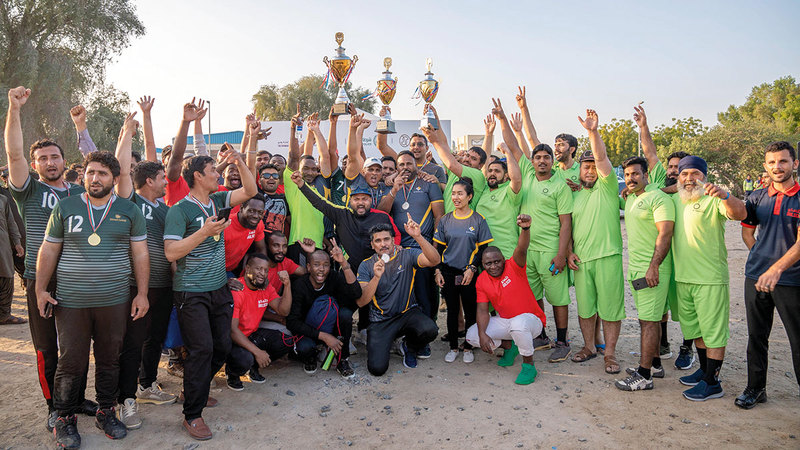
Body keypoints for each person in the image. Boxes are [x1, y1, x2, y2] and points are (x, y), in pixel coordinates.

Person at [37, 150, 149, 447]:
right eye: (90, 172)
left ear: (115, 178)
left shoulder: (129, 210)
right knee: (71, 361)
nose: (95, 178)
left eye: (102, 173)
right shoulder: (66, 207)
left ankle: (106, 411)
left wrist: (142, 293)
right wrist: (40, 289)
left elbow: (140, 254)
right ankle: (64, 417)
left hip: (114, 300)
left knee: (109, 358)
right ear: (83, 175)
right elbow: (49, 249)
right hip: (71, 301)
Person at [4, 86, 98, 431]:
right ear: (34, 165)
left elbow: (101, 163)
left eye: (55, 157)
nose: (50, 162)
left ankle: (75, 398)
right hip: (39, 277)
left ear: (63, 160)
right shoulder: (29, 190)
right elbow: (14, 153)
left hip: (76, 278)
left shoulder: (80, 192)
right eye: (42, 159)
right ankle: (53, 407)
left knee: (78, 345)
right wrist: (15, 110)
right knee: (46, 347)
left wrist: (81, 127)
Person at [163, 148, 257, 440]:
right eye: (213, 170)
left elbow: (250, 190)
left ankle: (195, 388)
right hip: (191, 292)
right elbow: (171, 252)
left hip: (218, 288)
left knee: (222, 346)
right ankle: (192, 414)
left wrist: (240, 161)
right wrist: (204, 232)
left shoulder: (217, 200)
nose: (219, 174)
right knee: (201, 349)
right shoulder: (179, 210)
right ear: (198, 176)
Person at [494, 98, 574, 363]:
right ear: (532, 161)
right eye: (537, 157)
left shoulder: (560, 185)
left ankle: (562, 341)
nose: (541, 161)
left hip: (550, 250)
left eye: (546, 157)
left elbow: (566, 223)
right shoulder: (526, 174)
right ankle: (541, 335)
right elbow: (513, 145)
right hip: (527, 250)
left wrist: (561, 254)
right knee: (533, 295)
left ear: (552, 161)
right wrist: (502, 118)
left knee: (558, 298)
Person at [110, 114, 176, 430]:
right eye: (162, 177)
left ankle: (147, 385)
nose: (166, 182)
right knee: (132, 342)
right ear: (149, 181)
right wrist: (127, 134)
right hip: (135, 287)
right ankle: (124, 400)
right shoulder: (131, 202)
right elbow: (122, 171)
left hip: (164, 285)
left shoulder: (167, 210)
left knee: (156, 339)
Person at [671, 155, 746, 401]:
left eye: (695, 173)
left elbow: (740, 213)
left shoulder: (714, 199)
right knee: (696, 329)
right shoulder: (676, 200)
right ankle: (704, 371)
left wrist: (726, 196)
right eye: (684, 174)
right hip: (684, 278)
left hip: (710, 278)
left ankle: (713, 383)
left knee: (713, 332)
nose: (689, 178)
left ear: (705, 176)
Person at [737, 141, 800, 409]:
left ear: (795, 164)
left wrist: (776, 268)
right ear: (765, 166)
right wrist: (761, 259)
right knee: (756, 336)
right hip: (756, 278)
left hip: (792, 280)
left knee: (797, 340)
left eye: (783, 161)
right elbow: (747, 233)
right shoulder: (756, 197)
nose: (777, 167)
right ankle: (755, 389)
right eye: (772, 162)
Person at [566, 110, 625, 375]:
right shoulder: (574, 194)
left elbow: (601, 158)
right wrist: (569, 251)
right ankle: (589, 346)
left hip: (608, 257)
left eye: (593, 167)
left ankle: (609, 354)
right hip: (581, 261)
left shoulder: (608, 186)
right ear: (579, 170)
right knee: (586, 309)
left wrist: (592, 132)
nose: (590, 170)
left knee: (611, 310)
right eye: (585, 167)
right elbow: (567, 227)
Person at [614, 156, 675, 391]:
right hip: (636, 269)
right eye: (627, 175)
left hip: (653, 270)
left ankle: (644, 375)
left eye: (635, 174)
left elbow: (665, 234)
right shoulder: (631, 198)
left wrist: (654, 266)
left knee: (648, 322)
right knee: (649, 318)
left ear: (646, 175)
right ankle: (655, 364)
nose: (630, 178)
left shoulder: (658, 198)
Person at [467, 214, 547, 384]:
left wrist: (525, 229)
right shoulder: (482, 280)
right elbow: (482, 310)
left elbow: (521, 248)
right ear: (483, 265)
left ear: (503, 260)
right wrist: (482, 334)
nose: (493, 266)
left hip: (532, 321)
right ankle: (510, 347)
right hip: (507, 322)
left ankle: (529, 366)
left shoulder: (514, 266)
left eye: (497, 261)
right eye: (488, 264)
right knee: (472, 335)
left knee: (518, 324)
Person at [377, 149, 444, 346]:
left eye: (409, 164)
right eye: (401, 164)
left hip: (422, 247)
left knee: (425, 294)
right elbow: (381, 213)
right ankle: (402, 335)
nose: (405, 167)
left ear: (416, 165)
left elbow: (439, 217)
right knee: (401, 294)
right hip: (397, 250)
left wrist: (434, 246)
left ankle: (426, 335)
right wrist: (394, 190)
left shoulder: (429, 184)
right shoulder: (391, 186)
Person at [357, 219, 440, 375]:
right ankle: (388, 341)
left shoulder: (407, 254)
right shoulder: (366, 265)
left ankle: (409, 346)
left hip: (407, 312)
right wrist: (376, 277)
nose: (383, 244)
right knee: (377, 369)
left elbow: (435, 260)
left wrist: (418, 237)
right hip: (381, 320)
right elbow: (362, 302)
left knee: (430, 330)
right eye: (378, 241)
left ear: (393, 240)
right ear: (372, 245)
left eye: (386, 239)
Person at [432, 178, 493, 363]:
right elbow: (439, 249)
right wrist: (437, 271)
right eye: (453, 194)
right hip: (448, 272)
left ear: (469, 196)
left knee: (470, 310)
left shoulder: (478, 220)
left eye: (460, 194)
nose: (456, 197)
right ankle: (453, 346)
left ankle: (468, 346)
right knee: (452, 310)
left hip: (469, 273)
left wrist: (472, 268)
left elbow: (483, 249)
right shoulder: (445, 220)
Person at [287, 244, 362, 377]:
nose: (321, 269)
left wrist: (344, 264)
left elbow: (356, 293)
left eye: (326, 265)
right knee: (304, 348)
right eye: (316, 265)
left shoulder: (333, 277)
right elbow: (292, 322)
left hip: (330, 326)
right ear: (309, 267)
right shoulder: (300, 285)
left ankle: (342, 360)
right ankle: (312, 356)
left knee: (345, 314)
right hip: (309, 330)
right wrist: (324, 337)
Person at [225, 254, 292, 391]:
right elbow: (233, 331)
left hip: (252, 334)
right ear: (248, 268)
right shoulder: (238, 289)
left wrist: (287, 285)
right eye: (258, 269)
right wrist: (258, 352)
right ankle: (232, 373)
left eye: (266, 270)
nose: (262, 273)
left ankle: (254, 366)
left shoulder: (265, 287)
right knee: (244, 360)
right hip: (233, 339)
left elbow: (283, 311)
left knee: (286, 342)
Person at [284, 113, 330, 263]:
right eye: (305, 169)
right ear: (298, 169)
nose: (310, 172)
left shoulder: (318, 190)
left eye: (313, 169)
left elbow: (324, 156)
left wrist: (314, 130)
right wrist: (293, 129)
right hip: (298, 245)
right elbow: (294, 157)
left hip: (319, 247)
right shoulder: (293, 185)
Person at [224, 195, 267, 276]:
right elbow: (208, 256)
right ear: (241, 208)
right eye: (251, 211)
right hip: (214, 270)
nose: (256, 216)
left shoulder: (258, 224)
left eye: (260, 212)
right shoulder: (225, 225)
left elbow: (261, 250)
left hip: (234, 268)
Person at [0, 184, 24, 325]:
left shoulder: (3, 199)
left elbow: (11, 223)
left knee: (7, 277)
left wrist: (17, 243)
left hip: (3, 246)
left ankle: (4, 315)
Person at [258, 164, 289, 236]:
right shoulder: (255, 196)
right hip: (257, 241)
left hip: (278, 242)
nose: (271, 178)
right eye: (266, 175)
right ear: (259, 181)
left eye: (275, 176)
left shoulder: (285, 199)